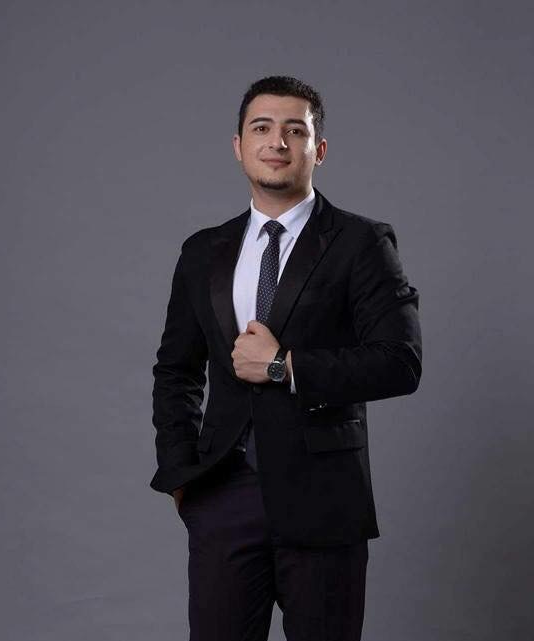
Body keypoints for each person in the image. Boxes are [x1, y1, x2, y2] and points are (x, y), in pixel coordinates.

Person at [149, 75, 422, 641]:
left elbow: (401, 361)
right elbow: (176, 371)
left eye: (295, 131)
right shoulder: (202, 252)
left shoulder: (361, 243)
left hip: (325, 499)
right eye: (262, 128)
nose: (277, 142)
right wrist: (181, 475)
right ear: (238, 145)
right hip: (222, 497)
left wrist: (285, 366)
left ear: (318, 150)